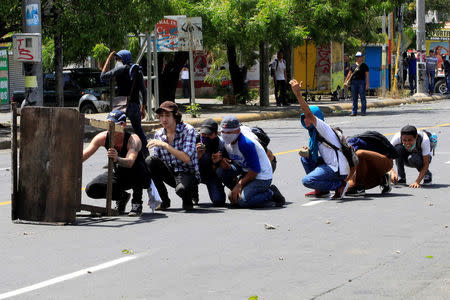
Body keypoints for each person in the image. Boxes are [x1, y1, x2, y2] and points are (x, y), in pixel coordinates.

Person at [290, 79, 350, 199]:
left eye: (307, 117)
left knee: (307, 181)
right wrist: (308, 150)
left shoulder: (322, 127)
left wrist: (298, 95)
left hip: (337, 169)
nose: (305, 120)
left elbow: (309, 113)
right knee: (306, 159)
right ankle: (321, 190)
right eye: (303, 118)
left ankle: (339, 185)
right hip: (329, 164)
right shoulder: (313, 133)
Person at [83, 110, 150, 216]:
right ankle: (122, 197)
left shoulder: (133, 139)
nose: (110, 128)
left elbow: (130, 162)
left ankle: (137, 202)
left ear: (123, 125)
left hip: (138, 176)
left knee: (137, 166)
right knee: (91, 189)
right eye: (108, 124)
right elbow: (84, 155)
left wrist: (117, 159)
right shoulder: (102, 137)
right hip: (120, 174)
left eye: (113, 124)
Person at [215, 115, 285, 208]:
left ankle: (271, 193)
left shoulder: (246, 144)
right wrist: (219, 160)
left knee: (244, 201)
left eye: (229, 132)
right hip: (245, 170)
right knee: (222, 173)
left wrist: (238, 186)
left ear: (237, 131)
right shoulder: (224, 140)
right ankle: (242, 192)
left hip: (261, 176)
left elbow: (255, 170)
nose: (225, 135)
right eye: (223, 132)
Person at [146, 101, 199, 211]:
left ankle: (190, 194)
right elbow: (156, 165)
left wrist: (165, 145)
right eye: (161, 116)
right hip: (171, 172)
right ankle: (163, 200)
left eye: (167, 115)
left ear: (175, 116)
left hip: (187, 172)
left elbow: (186, 158)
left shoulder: (188, 130)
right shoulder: (159, 134)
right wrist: (153, 195)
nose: (164, 119)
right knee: (150, 161)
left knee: (182, 190)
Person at [101, 50, 149, 157]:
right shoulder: (137, 70)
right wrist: (143, 107)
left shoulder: (120, 69)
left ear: (123, 59)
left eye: (118, 59)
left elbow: (103, 77)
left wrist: (109, 59)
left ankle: (116, 155)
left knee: (116, 130)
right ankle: (146, 155)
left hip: (121, 105)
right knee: (139, 130)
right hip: (135, 105)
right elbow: (144, 91)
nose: (117, 61)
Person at [345, 131, 399, 196]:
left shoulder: (350, 143)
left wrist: (391, 171)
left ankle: (359, 187)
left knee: (359, 153)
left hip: (386, 161)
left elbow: (352, 165)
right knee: (348, 187)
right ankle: (382, 179)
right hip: (372, 164)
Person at [195, 118, 227, 206]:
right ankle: (192, 192)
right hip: (194, 173)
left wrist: (216, 162)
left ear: (216, 134)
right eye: (203, 133)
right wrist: (196, 155)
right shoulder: (194, 140)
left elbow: (223, 167)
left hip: (210, 174)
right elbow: (185, 162)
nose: (205, 136)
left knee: (218, 201)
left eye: (209, 134)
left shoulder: (220, 144)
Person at [344, 52, 369, 116]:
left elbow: (367, 75)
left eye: (359, 57)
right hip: (353, 83)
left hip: (361, 82)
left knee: (362, 97)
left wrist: (367, 84)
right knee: (354, 97)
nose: (358, 58)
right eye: (357, 57)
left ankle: (363, 111)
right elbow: (349, 74)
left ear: (361, 57)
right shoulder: (352, 65)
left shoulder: (364, 66)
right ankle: (354, 111)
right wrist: (345, 81)